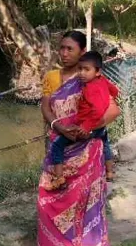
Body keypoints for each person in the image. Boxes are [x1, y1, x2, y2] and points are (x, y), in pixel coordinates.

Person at [24, 31, 120, 246]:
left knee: (81, 200)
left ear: (82, 52)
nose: (64, 53)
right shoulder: (51, 77)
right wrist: (59, 126)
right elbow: (46, 108)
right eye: (62, 48)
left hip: (86, 149)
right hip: (59, 143)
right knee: (48, 195)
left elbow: (113, 110)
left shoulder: (91, 78)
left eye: (70, 49)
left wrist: (84, 130)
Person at [48, 51, 119, 186]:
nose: (82, 73)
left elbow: (97, 111)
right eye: (80, 69)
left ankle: (59, 177)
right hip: (100, 126)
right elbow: (115, 91)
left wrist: (85, 126)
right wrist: (107, 99)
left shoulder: (90, 88)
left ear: (97, 71)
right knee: (105, 143)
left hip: (88, 126)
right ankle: (110, 171)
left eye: (87, 69)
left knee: (57, 144)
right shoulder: (103, 80)